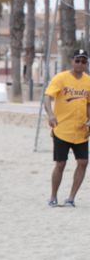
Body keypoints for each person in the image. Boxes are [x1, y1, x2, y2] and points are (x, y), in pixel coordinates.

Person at [44, 48, 90, 207]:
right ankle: (53, 196)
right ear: (72, 61)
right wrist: (50, 114)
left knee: (83, 162)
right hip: (62, 129)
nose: (80, 63)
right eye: (78, 60)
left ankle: (71, 198)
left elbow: (88, 104)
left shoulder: (88, 81)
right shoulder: (61, 78)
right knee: (61, 164)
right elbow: (47, 97)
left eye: (84, 61)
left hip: (81, 131)